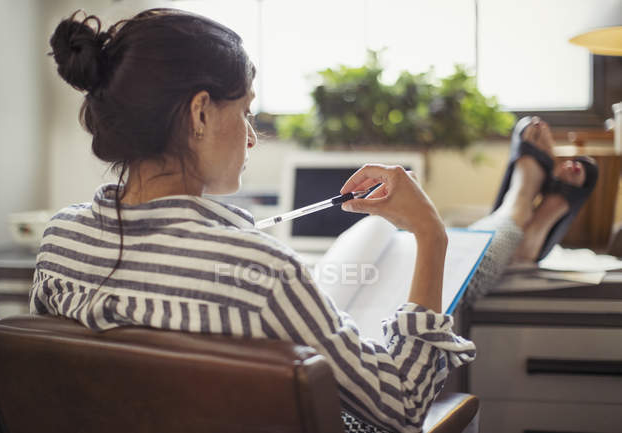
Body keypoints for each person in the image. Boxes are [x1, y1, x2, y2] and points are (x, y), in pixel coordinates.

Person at [31, 8, 596, 433]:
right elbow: (401, 406)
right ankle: (518, 209)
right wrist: (429, 233)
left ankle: (518, 217)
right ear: (201, 113)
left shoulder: (60, 242)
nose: (253, 137)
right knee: (465, 258)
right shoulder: (261, 271)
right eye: (247, 112)